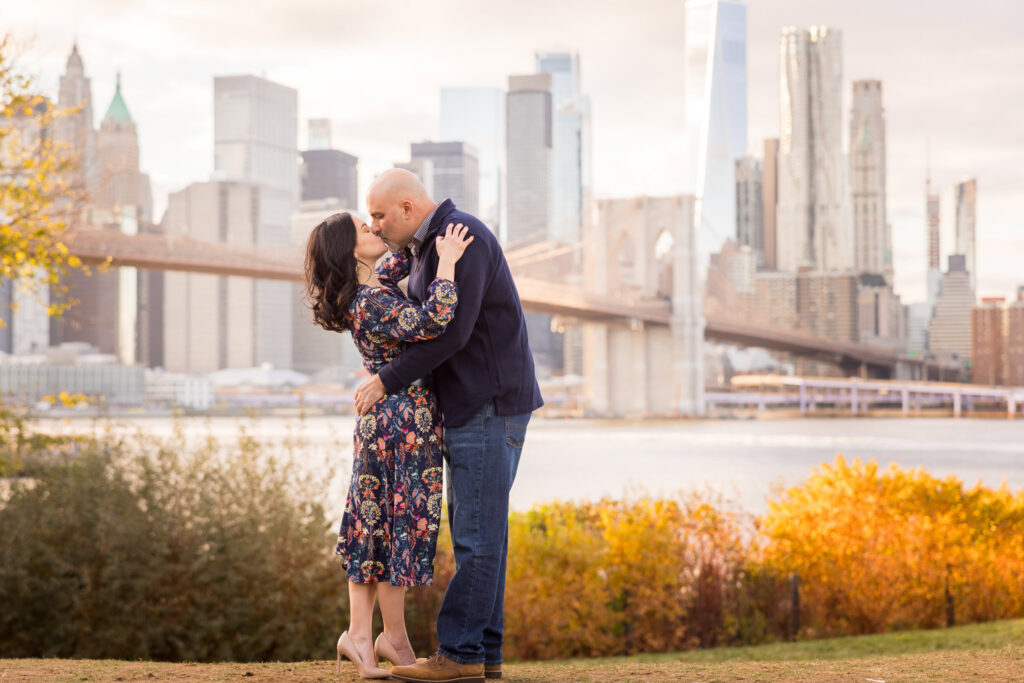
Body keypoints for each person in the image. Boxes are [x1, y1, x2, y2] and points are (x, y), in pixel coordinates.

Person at [354, 169, 543, 683]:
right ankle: (486, 655)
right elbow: (381, 306)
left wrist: (384, 381)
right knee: (485, 535)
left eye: (378, 215)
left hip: (488, 403)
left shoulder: (463, 237)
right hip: (468, 406)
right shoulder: (419, 251)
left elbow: (453, 332)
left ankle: (459, 655)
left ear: (408, 209)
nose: (373, 225)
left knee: (476, 538)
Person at [303, 211, 474, 679]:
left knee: (385, 527)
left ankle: (383, 639)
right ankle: (368, 637)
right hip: (399, 423)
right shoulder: (367, 301)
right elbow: (433, 320)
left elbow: (403, 254)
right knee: (385, 527)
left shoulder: (376, 283)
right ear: (348, 250)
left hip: (398, 420)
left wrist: (421, 234)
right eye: (364, 228)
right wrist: (449, 262)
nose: (374, 230)